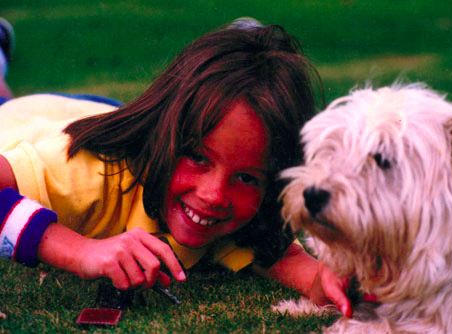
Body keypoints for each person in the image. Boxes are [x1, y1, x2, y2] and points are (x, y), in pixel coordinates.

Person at [0, 18, 356, 317]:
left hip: (103, 108)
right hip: (23, 123)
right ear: (164, 135)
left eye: (246, 178)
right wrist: (81, 251)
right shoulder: (87, 170)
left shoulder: (248, 215)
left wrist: (331, 280)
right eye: (198, 157)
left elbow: (296, 266)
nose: (214, 195)